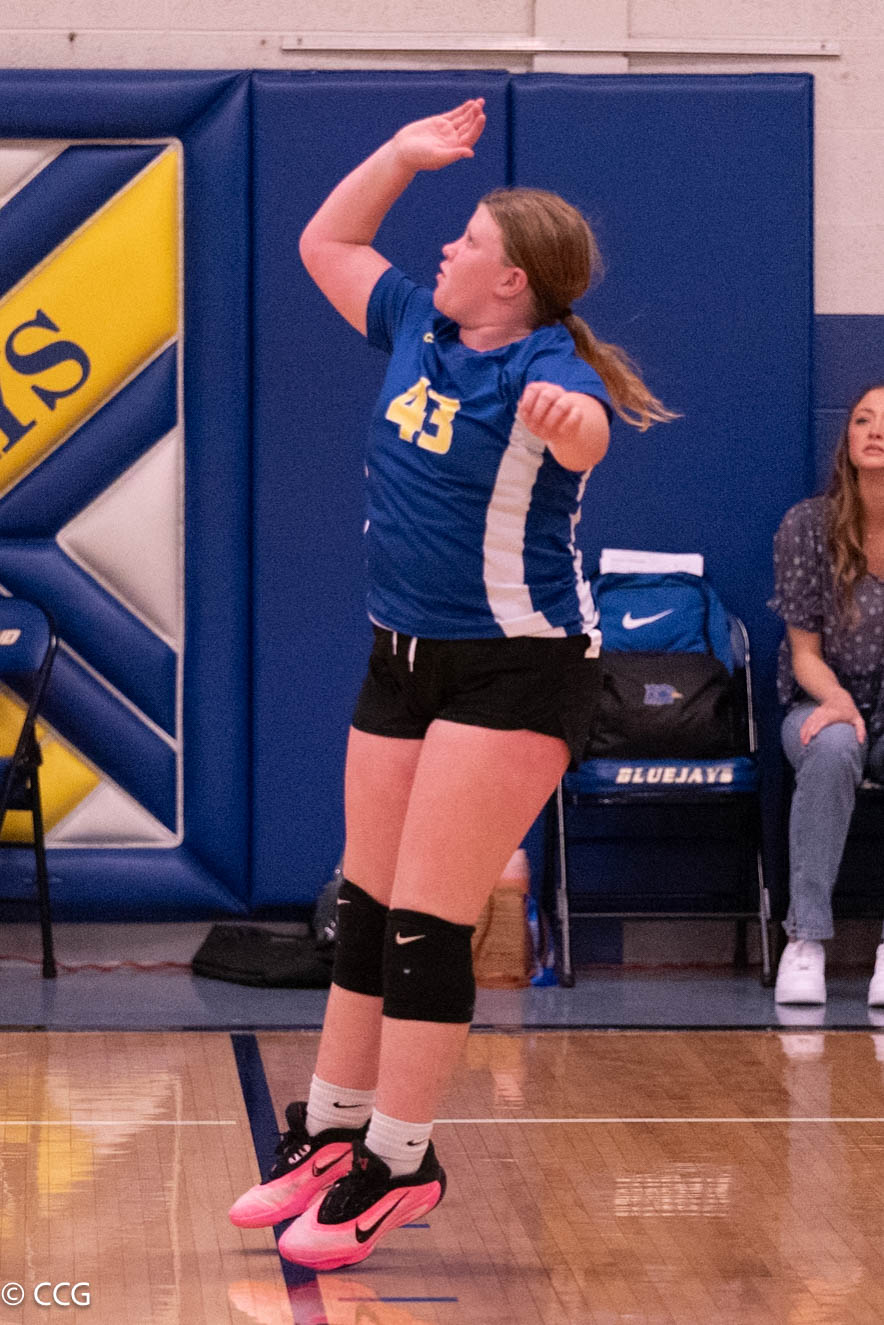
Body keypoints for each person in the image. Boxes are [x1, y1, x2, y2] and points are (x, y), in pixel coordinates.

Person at [229, 96, 674, 1270]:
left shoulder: (543, 361)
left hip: (515, 670)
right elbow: (326, 243)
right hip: (402, 655)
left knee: (430, 924)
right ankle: (335, 1130)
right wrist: (398, 154)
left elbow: (586, 437)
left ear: (512, 279)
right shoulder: (416, 322)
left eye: (468, 237)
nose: (445, 246)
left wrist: (569, 420)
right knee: (366, 906)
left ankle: (402, 1158)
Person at [771, 383, 884, 1006]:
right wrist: (837, 701)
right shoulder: (807, 525)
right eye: (863, 419)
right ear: (847, 439)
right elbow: (804, 652)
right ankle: (805, 940)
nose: (875, 430)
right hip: (820, 701)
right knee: (835, 745)